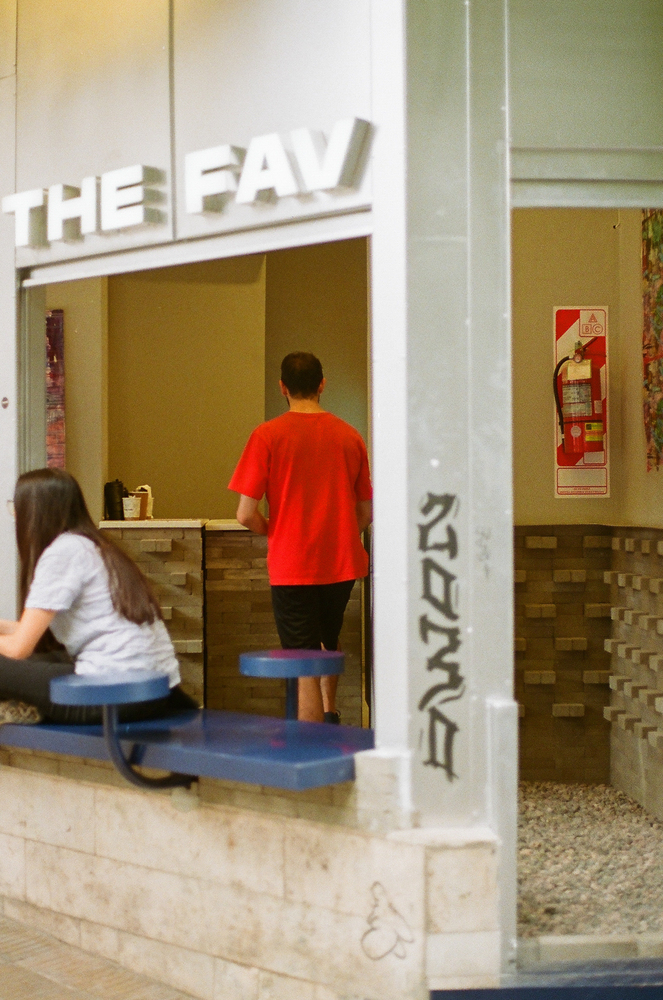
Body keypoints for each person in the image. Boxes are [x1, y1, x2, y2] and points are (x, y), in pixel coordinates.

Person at [229, 352, 373, 723]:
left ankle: (311, 747)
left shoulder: (268, 436)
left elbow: (245, 514)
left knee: (300, 655)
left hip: (293, 563)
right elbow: (366, 512)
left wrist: (275, 532)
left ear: (282, 388)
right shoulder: (350, 436)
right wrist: (339, 534)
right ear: (322, 384)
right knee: (327, 637)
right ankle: (329, 712)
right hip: (341, 564)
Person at [0, 468, 197, 724]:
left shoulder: (62, 552)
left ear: (34, 512)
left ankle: (19, 711)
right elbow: (29, 633)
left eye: (18, 507)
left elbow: (18, 648)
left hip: (115, 697)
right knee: (44, 658)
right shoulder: (94, 545)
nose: (15, 515)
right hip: (155, 690)